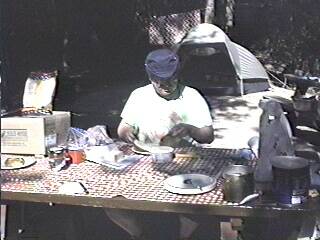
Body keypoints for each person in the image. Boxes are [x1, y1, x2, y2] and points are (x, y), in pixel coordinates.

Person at [105, 48, 215, 240]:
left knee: (202, 202)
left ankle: (183, 236)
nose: (166, 86)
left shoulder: (191, 96)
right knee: (110, 201)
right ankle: (140, 234)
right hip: (143, 160)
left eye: (170, 81)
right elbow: (123, 128)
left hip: (183, 162)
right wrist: (126, 133)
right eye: (159, 82)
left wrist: (190, 128)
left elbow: (208, 135)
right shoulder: (139, 96)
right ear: (150, 78)